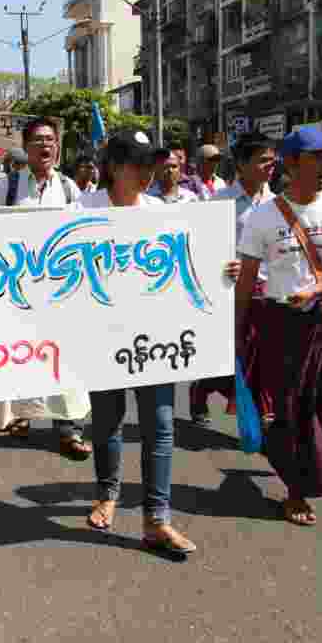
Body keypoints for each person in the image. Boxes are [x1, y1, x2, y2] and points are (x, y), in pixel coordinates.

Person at [78, 130, 240, 554]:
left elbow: (191, 264)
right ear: (113, 167)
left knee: (161, 426)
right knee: (108, 420)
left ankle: (157, 519)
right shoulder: (81, 209)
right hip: (102, 336)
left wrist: (222, 268)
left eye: (152, 163)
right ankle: (108, 494)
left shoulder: (160, 212)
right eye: (138, 163)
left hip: (156, 341)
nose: (149, 172)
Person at [235, 127, 322, 527]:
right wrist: (238, 334)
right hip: (280, 324)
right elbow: (246, 280)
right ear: (291, 164)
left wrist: (319, 287)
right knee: (292, 409)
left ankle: (301, 460)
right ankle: (296, 490)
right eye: (319, 157)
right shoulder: (263, 216)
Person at [0, 117, 87, 457]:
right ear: (26, 148)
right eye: (38, 141)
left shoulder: (71, 188)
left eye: (50, 140)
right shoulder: (7, 187)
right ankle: (22, 414)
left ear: (57, 148)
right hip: (20, 289)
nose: (46, 146)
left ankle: (69, 428)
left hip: (61, 289)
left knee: (66, 358)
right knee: (23, 354)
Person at [190, 131, 278, 426]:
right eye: (262, 160)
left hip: (267, 292)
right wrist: (223, 266)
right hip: (229, 293)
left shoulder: (278, 204)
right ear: (241, 164)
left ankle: (261, 411)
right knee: (226, 354)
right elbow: (201, 248)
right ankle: (200, 392)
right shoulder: (220, 201)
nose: (270, 165)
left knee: (261, 356)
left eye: (272, 160)